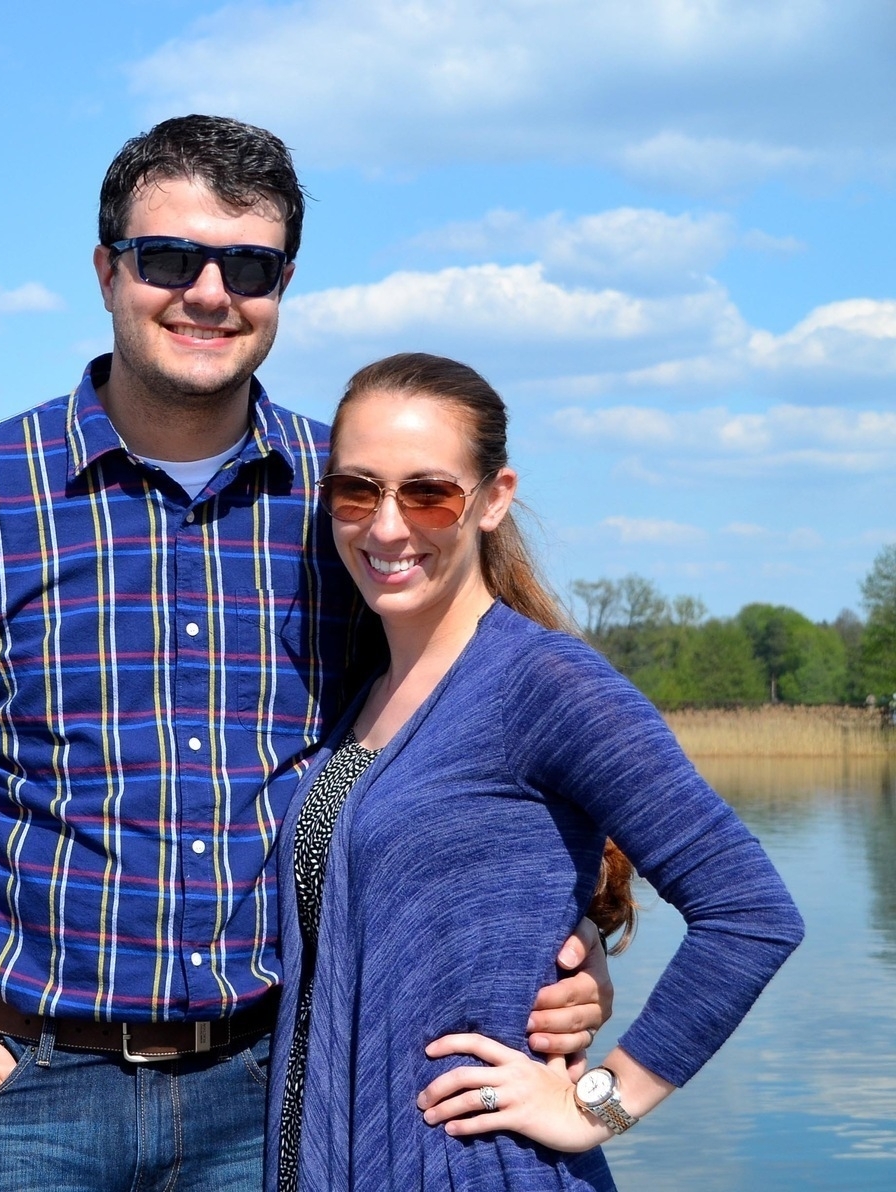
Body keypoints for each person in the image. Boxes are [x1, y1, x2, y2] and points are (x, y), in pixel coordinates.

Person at [0, 116, 611, 1190]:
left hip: (274, 1083)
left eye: (250, 265)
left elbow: (497, 737)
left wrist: (570, 944)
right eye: (169, 257)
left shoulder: (355, 500)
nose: (209, 292)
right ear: (107, 271)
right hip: (17, 1091)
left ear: (283, 285)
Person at [266, 352, 805, 1190]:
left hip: (480, 1168)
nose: (386, 526)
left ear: (494, 499)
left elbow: (751, 914)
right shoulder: (367, 691)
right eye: (357, 490)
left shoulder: (544, 681)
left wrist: (596, 1105)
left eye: (428, 492)